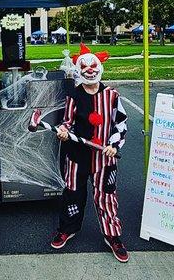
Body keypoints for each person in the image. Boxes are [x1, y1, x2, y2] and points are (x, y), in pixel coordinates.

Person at [51, 43, 129, 263]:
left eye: (93, 66)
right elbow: (67, 122)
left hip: (104, 157)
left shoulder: (112, 96)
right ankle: (67, 228)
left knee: (106, 196)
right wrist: (64, 131)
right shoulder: (73, 96)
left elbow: (121, 124)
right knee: (72, 194)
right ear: (79, 70)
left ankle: (113, 236)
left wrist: (114, 144)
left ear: (100, 67)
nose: (89, 70)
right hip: (77, 155)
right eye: (84, 67)